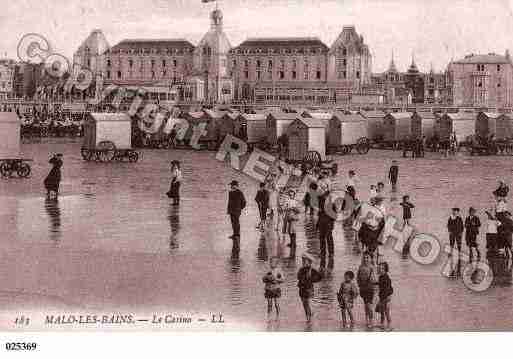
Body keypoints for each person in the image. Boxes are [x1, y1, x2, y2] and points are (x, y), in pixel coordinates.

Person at [297, 252, 323, 322]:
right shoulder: (301, 269)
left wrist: (312, 279)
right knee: (304, 304)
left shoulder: (313, 270)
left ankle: (310, 316)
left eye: (304, 261)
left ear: (309, 262)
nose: (303, 262)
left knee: (308, 303)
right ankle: (308, 318)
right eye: (302, 260)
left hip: (309, 289)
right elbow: (298, 277)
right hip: (302, 289)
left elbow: (319, 277)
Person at [357, 252, 377, 329]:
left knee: (369, 306)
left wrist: (375, 290)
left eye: (367, 258)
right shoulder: (360, 267)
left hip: (370, 289)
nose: (365, 259)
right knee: (366, 305)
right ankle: (366, 320)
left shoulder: (372, 267)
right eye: (364, 257)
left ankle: (371, 321)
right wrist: (359, 285)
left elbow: (374, 280)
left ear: (370, 259)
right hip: (363, 289)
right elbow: (357, 277)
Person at [318, 190, 337, 271]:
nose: (326, 198)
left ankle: (331, 253)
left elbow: (335, 216)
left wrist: (332, 223)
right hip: (322, 223)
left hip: (328, 224)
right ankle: (323, 252)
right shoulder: (321, 204)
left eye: (327, 197)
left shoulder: (332, 205)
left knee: (329, 238)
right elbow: (319, 214)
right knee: (322, 238)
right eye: (325, 197)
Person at [376, 262, 393, 330]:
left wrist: (387, 297)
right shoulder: (381, 277)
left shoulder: (386, 278)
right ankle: (382, 324)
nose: (380, 270)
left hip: (386, 297)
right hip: (382, 297)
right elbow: (380, 284)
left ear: (386, 270)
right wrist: (375, 283)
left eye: (382, 268)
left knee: (386, 311)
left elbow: (389, 288)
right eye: (379, 268)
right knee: (382, 311)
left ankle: (389, 325)